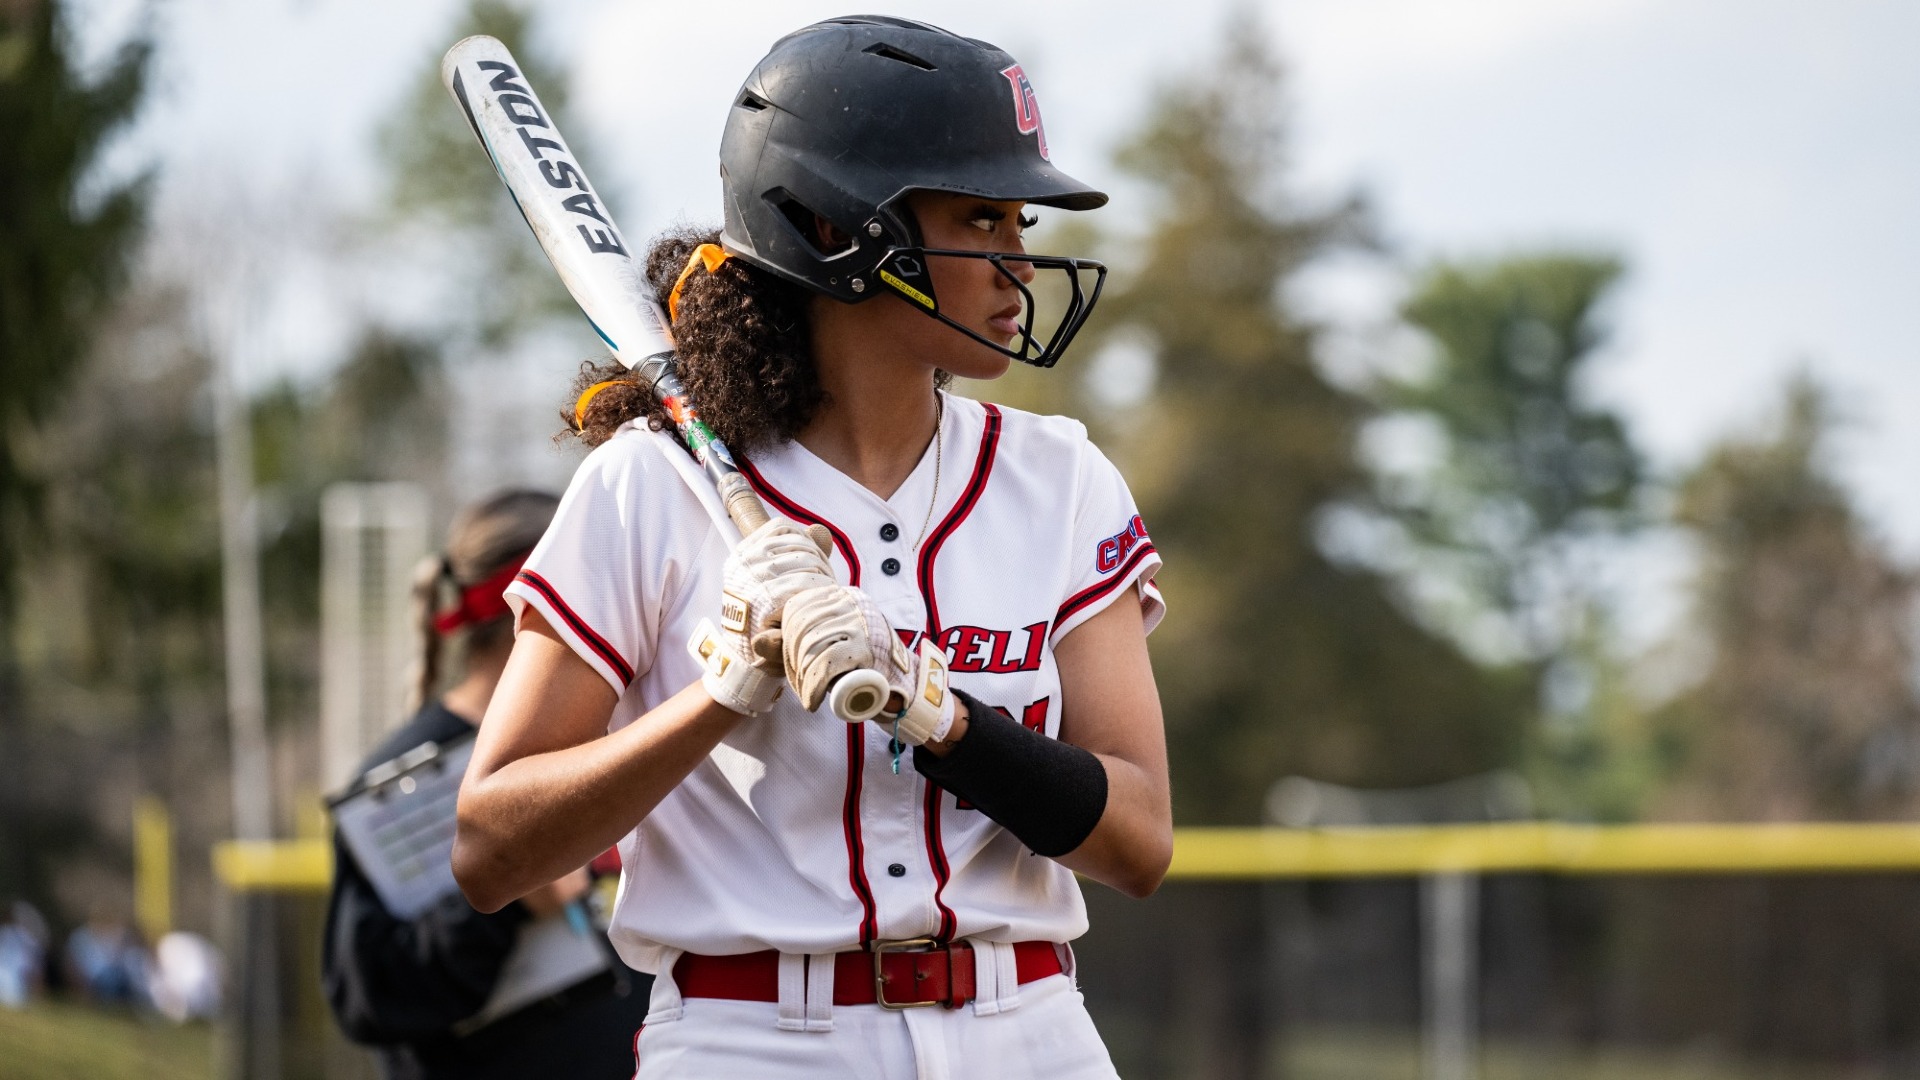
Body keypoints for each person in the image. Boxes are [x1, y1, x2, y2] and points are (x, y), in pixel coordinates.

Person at [455, 16, 1169, 1078]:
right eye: (983, 217)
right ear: (838, 228)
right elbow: (489, 847)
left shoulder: (1059, 479)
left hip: (1028, 1029)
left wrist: (939, 714)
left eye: (1019, 218)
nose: (1019, 264)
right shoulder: (648, 486)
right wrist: (724, 693)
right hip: (754, 1039)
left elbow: (1139, 839)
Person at [323, 490, 650, 1079]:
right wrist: (505, 898)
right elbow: (367, 995)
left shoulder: (621, 741)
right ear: (539, 605)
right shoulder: (399, 781)